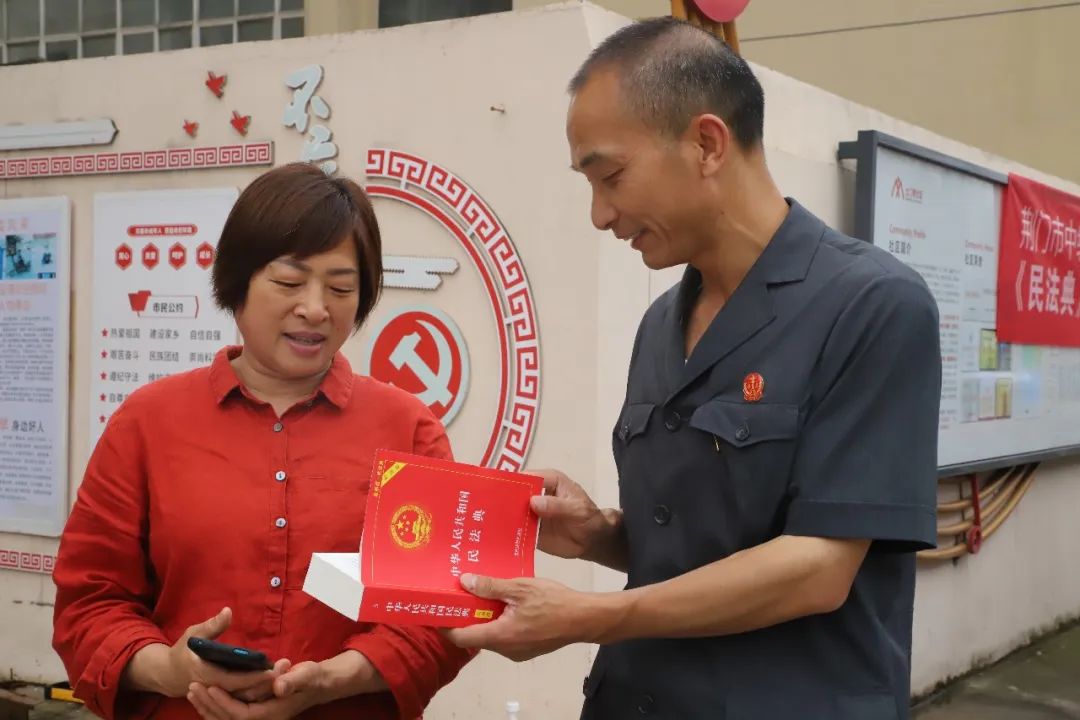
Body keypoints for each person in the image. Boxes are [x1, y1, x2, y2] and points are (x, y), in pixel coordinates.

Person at [446, 17, 941, 720]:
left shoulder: (873, 306)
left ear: (707, 144)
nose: (600, 214)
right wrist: (598, 533)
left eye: (611, 177)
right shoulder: (661, 324)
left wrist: (589, 616)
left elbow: (818, 568)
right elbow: (698, 545)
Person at [52, 163, 475, 720]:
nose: (316, 308)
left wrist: (330, 680)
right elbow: (89, 603)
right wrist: (169, 670)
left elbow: (439, 616)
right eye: (289, 282)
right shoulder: (146, 423)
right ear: (237, 282)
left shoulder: (409, 430)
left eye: (341, 288)